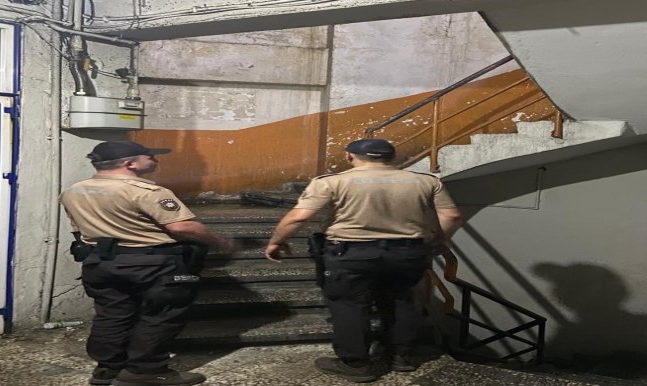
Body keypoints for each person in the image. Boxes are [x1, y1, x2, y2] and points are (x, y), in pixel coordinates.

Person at [265, 138, 462, 383]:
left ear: (350, 156)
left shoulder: (332, 182)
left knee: (349, 305)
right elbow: (451, 215)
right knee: (404, 302)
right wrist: (439, 240)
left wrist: (276, 241)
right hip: (407, 253)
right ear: (392, 157)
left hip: (350, 254)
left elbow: (298, 218)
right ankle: (402, 357)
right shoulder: (426, 181)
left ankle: (356, 363)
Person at [59, 141, 236, 386]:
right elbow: (180, 226)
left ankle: (107, 369)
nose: (155, 161)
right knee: (160, 315)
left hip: (100, 262)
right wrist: (219, 241)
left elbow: (77, 226)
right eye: (150, 156)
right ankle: (146, 370)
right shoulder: (146, 191)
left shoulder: (74, 191)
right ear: (129, 163)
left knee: (112, 314)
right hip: (151, 263)